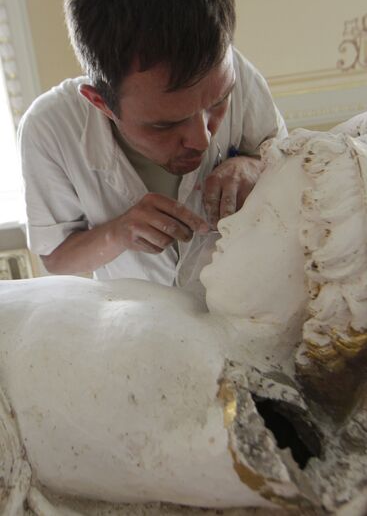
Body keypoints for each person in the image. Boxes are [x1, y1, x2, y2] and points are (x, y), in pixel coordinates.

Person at [2, 125, 367, 515]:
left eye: (259, 218)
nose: (228, 224)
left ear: (317, 269)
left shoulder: (217, 392)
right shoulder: (202, 328)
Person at [18, 0, 287, 288]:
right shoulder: (49, 129)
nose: (202, 140)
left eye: (219, 103)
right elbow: (56, 258)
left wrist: (253, 166)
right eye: (165, 125)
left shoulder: (239, 74)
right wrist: (118, 233)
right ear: (100, 103)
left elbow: (289, 167)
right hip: (138, 325)